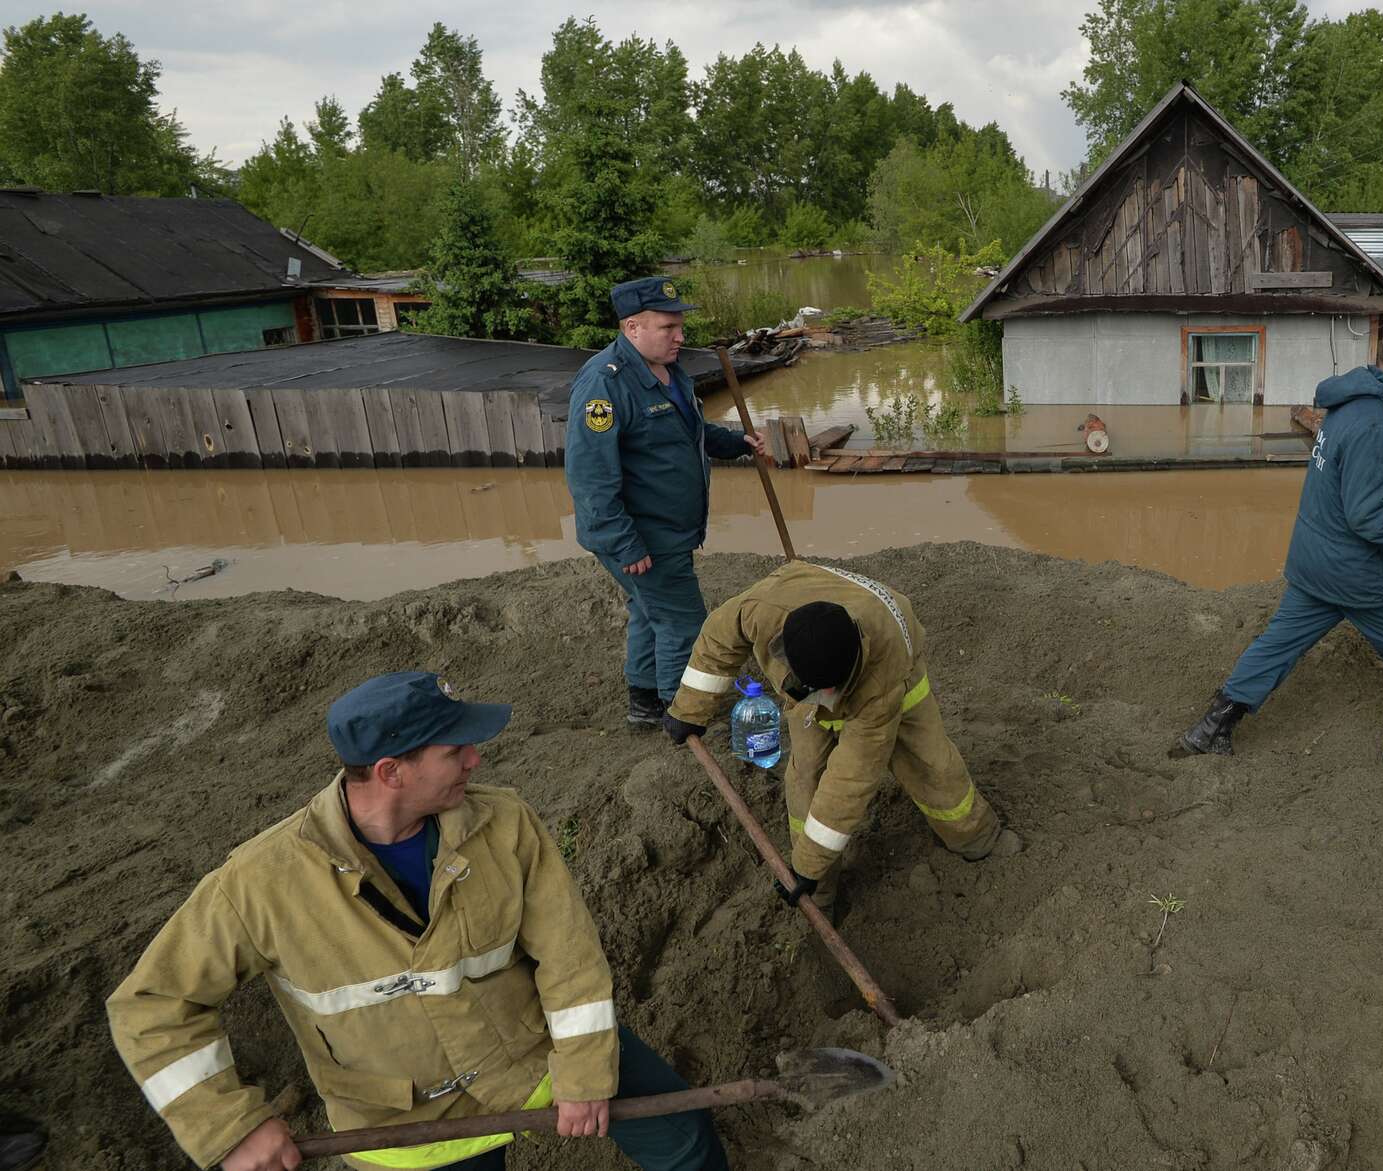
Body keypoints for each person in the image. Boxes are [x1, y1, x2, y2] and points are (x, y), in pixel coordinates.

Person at [106, 672, 729, 1171]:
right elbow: (152, 1006)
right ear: (390, 772)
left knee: (682, 1138)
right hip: (406, 1124)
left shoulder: (503, 824)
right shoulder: (258, 883)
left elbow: (569, 956)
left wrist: (587, 1073)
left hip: (530, 1057)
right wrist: (230, 1128)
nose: (476, 761)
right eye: (455, 750)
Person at [1173, 317, 1383, 769]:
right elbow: (1371, 516)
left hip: (1317, 558)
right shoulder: (1377, 423)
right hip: (1358, 570)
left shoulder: (1350, 403)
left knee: (1278, 643)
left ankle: (1211, 728)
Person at [661, 562, 1019, 907]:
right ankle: (818, 898)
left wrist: (807, 866)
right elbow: (717, 641)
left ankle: (977, 838)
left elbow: (851, 780)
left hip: (895, 672)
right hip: (818, 655)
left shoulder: (881, 686)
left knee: (929, 763)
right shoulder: (762, 609)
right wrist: (689, 710)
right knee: (807, 776)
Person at [565, 276, 768, 730]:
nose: (680, 337)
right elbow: (589, 475)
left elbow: (688, 432)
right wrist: (626, 543)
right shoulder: (604, 384)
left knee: (649, 610)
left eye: (679, 326)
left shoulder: (669, 370)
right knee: (684, 622)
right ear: (632, 327)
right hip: (644, 534)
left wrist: (737, 442)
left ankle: (646, 703)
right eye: (667, 327)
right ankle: (684, 717)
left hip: (670, 528)